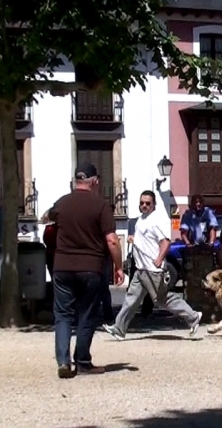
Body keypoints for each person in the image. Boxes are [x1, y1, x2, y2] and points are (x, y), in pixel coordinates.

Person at [53, 162, 124, 379]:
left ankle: (64, 362)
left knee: (63, 316)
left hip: (62, 267)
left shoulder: (61, 204)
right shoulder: (100, 205)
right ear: (94, 181)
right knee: (87, 314)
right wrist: (119, 267)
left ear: (76, 180)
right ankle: (82, 361)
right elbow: (112, 240)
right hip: (90, 268)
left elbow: (49, 226)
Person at [103, 191, 202, 341]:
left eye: (148, 203)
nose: (144, 205)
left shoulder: (156, 220)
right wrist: (134, 239)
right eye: (142, 202)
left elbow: (166, 242)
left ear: (154, 205)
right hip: (141, 268)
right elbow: (145, 240)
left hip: (153, 270)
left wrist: (160, 258)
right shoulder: (141, 220)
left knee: (162, 299)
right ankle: (119, 328)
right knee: (132, 298)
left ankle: (193, 316)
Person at [127, 215, 154, 318]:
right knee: (133, 286)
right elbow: (130, 238)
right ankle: (129, 311)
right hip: (137, 258)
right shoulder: (133, 221)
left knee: (150, 285)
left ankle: (147, 310)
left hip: (149, 258)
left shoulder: (153, 222)